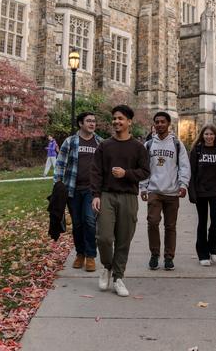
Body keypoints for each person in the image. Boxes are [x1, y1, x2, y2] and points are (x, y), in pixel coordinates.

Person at [91, 104, 150, 297]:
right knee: (104, 238)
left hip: (128, 197)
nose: (116, 121)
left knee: (124, 239)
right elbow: (96, 172)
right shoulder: (104, 146)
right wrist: (96, 195)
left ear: (129, 122)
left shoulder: (138, 147)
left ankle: (118, 278)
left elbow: (145, 172)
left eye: (121, 118)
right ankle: (107, 267)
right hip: (107, 195)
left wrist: (126, 173)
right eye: (114, 118)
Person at [139, 111, 190, 271]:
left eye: (162, 122)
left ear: (169, 124)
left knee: (170, 226)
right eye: (157, 122)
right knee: (152, 222)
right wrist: (143, 186)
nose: (160, 124)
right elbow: (143, 168)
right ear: (154, 125)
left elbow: (184, 166)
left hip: (172, 191)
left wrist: (183, 184)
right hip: (154, 190)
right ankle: (155, 254)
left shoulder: (176, 144)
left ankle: (169, 257)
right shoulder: (148, 145)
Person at [54, 112, 102, 272]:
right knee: (77, 224)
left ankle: (90, 256)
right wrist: (58, 186)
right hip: (72, 190)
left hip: (92, 190)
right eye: (88, 121)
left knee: (89, 221)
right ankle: (80, 253)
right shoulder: (71, 141)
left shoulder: (100, 142)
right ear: (81, 124)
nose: (92, 124)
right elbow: (60, 164)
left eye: (94, 121)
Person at [188, 124, 216, 266]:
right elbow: (191, 173)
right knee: (202, 222)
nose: (209, 137)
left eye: (211, 134)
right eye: (206, 134)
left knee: (215, 222)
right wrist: (191, 192)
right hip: (201, 192)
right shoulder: (196, 151)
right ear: (202, 136)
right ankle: (203, 254)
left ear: (215, 136)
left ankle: (214, 249)